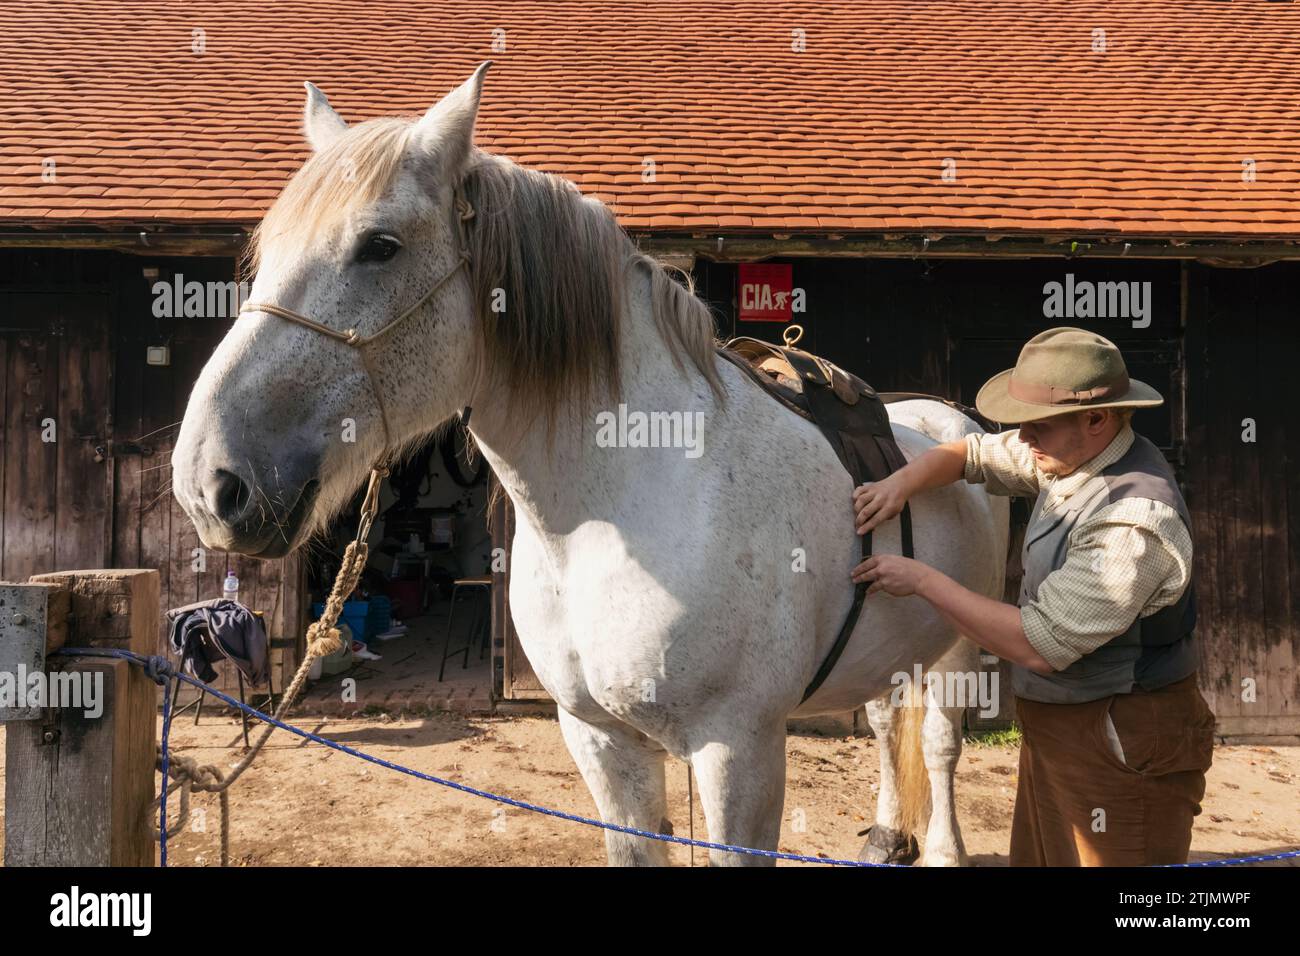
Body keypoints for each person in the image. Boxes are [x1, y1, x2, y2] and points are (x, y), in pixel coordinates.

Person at [851, 327, 1215, 866]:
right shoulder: (1068, 453)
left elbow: (1041, 644)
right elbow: (969, 454)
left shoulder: (1134, 519)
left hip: (1121, 738)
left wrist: (923, 580)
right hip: (1061, 727)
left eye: (1036, 426)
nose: (1023, 439)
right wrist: (900, 484)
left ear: (1097, 418)